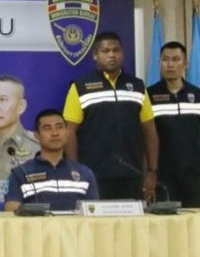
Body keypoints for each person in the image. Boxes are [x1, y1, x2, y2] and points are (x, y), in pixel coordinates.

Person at [63, 31, 159, 200]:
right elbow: (70, 132)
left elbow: (150, 131)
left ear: (122, 53)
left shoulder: (137, 86)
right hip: (93, 173)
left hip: (132, 172)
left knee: (132, 218)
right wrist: (75, 169)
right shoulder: (80, 87)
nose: (111, 55)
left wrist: (152, 170)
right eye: (105, 51)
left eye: (116, 50)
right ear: (95, 55)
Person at [4, 109, 99, 212]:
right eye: (47, 128)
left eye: (59, 127)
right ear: (37, 135)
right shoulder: (20, 173)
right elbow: (11, 209)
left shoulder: (85, 173)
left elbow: (94, 212)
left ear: (67, 132)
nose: (55, 133)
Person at [147, 41, 200, 207]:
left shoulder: (197, 95)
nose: (170, 65)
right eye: (165, 59)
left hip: (195, 175)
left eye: (176, 59)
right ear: (159, 63)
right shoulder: (148, 96)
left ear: (185, 64)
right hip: (163, 176)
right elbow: (145, 137)